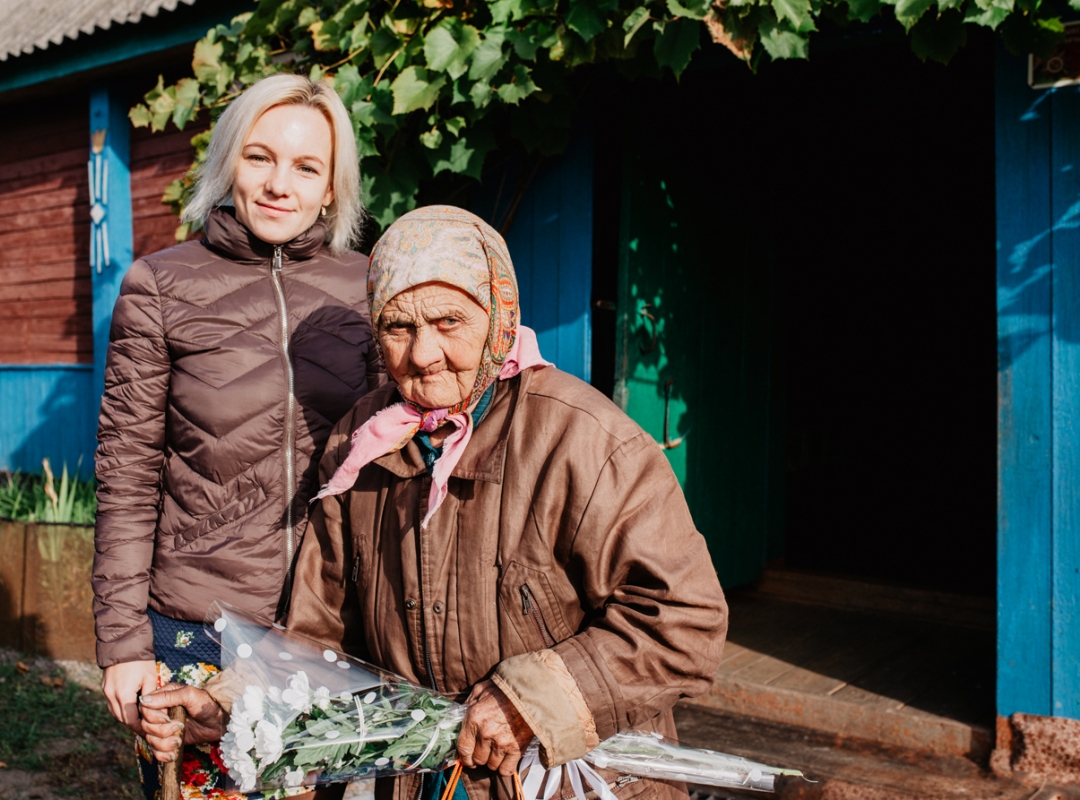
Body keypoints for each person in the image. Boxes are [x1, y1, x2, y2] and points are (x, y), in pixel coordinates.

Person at [140, 206, 729, 800]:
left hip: (576, 779)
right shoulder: (361, 442)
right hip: (428, 781)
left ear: (498, 315)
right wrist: (233, 704)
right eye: (398, 327)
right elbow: (320, 630)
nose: (423, 355)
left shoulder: (584, 441)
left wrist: (532, 700)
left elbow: (685, 620)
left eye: (450, 320)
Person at [92, 73, 384, 798]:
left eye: (306, 167)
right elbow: (126, 479)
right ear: (228, 162)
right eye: (260, 158)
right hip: (197, 633)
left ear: (331, 189)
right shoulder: (160, 286)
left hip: (333, 630)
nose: (280, 184)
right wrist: (123, 645)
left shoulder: (372, 287)